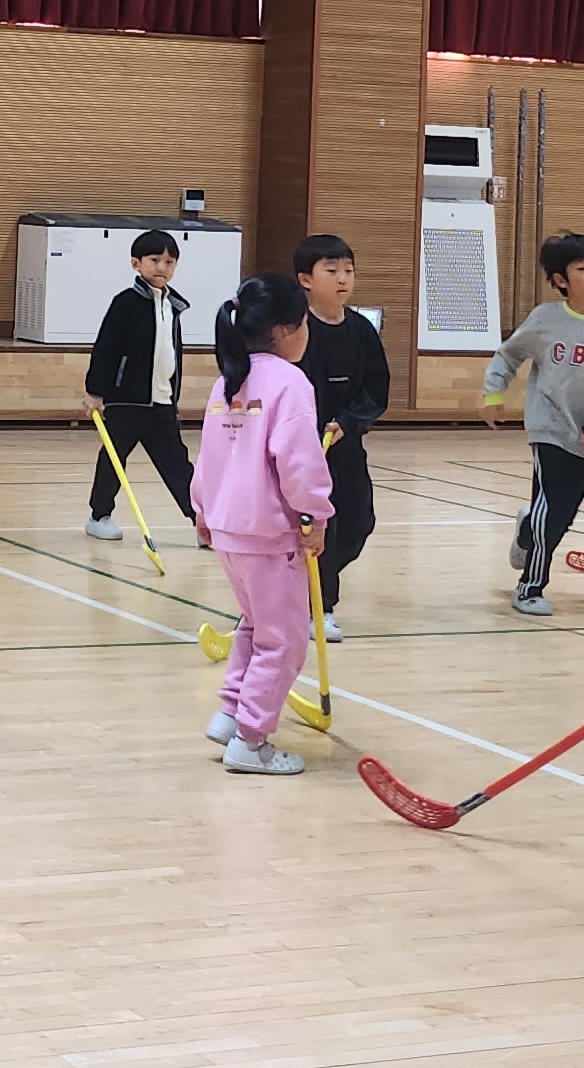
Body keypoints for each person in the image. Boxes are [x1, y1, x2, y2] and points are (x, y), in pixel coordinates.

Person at [191, 275, 333, 777]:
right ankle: (251, 740)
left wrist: (202, 512)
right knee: (285, 640)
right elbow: (298, 461)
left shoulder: (228, 378)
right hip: (270, 534)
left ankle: (231, 712)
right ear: (289, 329)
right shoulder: (290, 383)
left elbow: (208, 457)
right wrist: (314, 514)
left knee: (255, 627)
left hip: (228, 529)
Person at [479, 232, 584, 616]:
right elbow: (509, 354)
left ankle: (526, 528)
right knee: (550, 514)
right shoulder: (546, 319)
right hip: (549, 427)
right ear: (561, 280)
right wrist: (493, 393)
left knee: (561, 515)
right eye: (582, 269)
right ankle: (530, 586)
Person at [290, 234, 391, 641]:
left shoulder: (362, 330)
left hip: (346, 444)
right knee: (320, 528)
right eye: (331, 270)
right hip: (305, 448)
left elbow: (377, 386)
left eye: (348, 270)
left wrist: (350, 420)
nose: (342, 278)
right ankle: (321, 606)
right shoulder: (296, 329)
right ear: (306, 279)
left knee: (359, 524)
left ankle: (307, 586)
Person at [80, 228, 200, 543]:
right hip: (126, 402)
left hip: (161, 404)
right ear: (137, 263)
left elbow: (171, 352)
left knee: (178, 465)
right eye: (155, 260)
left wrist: (173, 393)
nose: (162, 267)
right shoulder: (126, 303)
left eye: (169, 261)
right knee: (113, 460)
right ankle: (99, 515)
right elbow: (106, 348)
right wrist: (95, 390)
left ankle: (202, 521)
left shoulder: (173, 306)